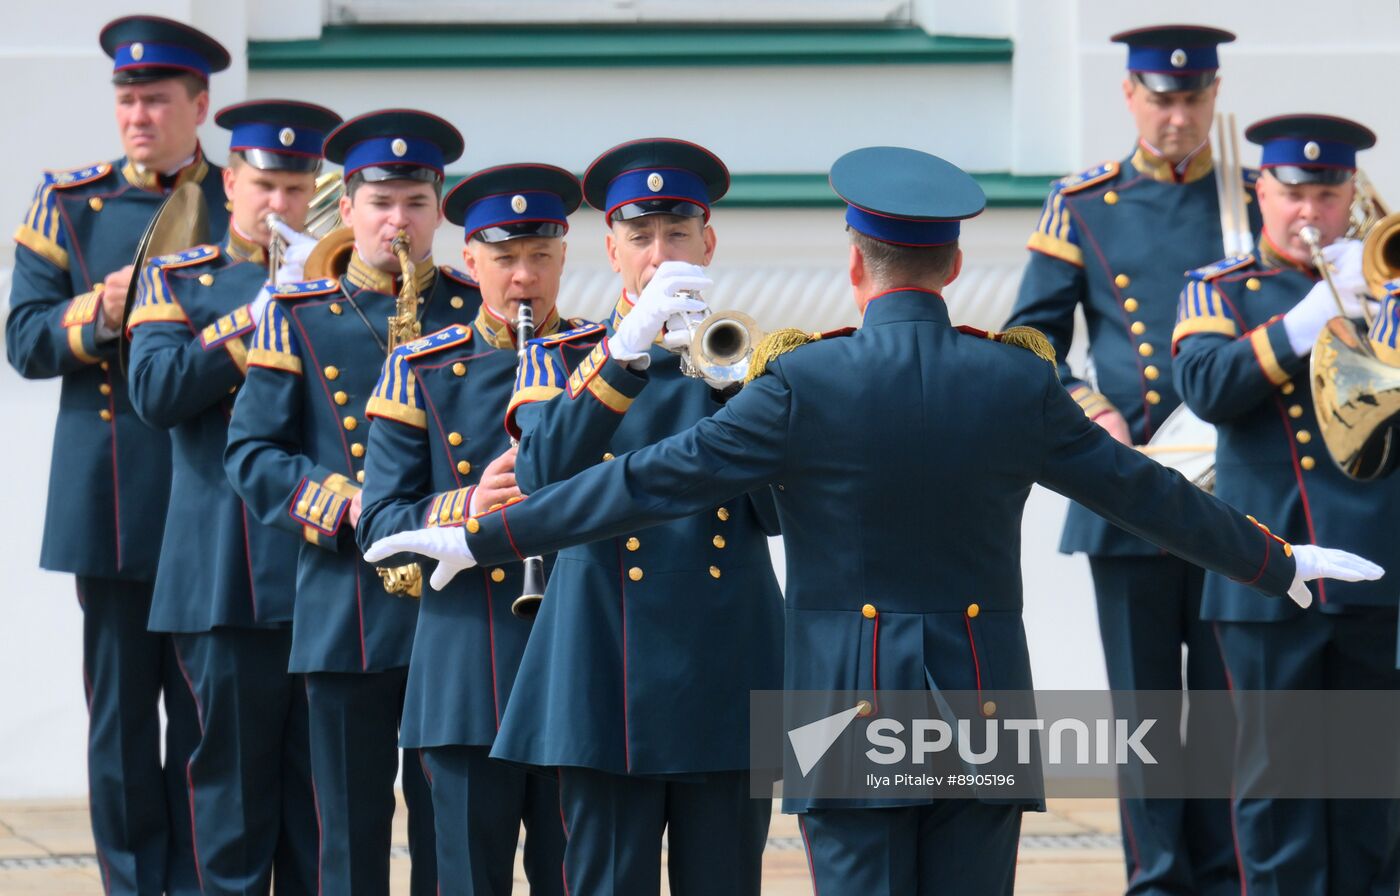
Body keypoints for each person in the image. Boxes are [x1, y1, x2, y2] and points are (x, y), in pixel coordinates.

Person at [368, 145, 1382, 896]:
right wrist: (1277, 559)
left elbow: (639, 482)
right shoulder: (1014, 382)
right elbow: (1149, 495)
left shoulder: (800, 382)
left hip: (844, 704)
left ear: (855, 263)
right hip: (982, 702)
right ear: (947, 269)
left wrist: (475, 535)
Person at [467, 138, 784, 896]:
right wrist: (623, 355)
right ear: (611, 250)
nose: (659, 255)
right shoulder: (561, 354)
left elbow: (778, 513)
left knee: (726, 880)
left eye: (677, 235)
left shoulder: (759, 360)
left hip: (725, 666)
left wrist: (734, 388)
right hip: (606, 662)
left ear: (707, 243)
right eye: (640, 237)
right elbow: (539, 481)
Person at [1004, 26, 1253, 893]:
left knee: (1226, 705)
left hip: (1236, 488)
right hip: (1134, 481)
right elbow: (1031, 335)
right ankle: (1158, 878)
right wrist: (1092, 407)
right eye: (1160, 97)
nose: (1177, 115)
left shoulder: (1253, 199)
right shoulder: (1083, 203)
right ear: (1129, 96)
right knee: (1144, 709)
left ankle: (1223, 876)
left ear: (1214, 96)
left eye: (1192, 98)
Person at [225, 109, 478, 895]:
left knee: (454, 833)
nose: (396, 222)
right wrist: (348, 509)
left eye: (413, 202)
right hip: (346, 603)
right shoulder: (296, 318)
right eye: (380, 204)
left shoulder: (476, 314)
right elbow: (252, 455)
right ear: (350, 210)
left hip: (458, 606)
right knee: (346, 834)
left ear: (439, 207)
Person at [4, 15, 230, 894]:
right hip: (110, 498)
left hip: (215, 497)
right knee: (124, 721)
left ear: (198, 104)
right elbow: (23, 340)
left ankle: (209, 881)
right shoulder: (69, 201)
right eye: (127, 99)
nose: (138, 115)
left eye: (156, 99)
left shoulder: (236, 201)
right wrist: (100, 312)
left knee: (212, 719)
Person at [1172, 113, 1400, 895]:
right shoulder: (1218, 288)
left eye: (1328, 194)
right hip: (1270, 569)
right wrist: (1301, 325)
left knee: (1372, 786)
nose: (1310, 211)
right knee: (1279, 788)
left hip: (1375, 566)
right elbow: (1205, 388)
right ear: (1261, 191)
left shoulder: (1388, 282)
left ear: (1352, 199)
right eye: (1293, 192)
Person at [126, 98, 341, 895]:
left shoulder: (346, 287)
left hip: (322, 571)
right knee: (233, 805)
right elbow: (155, 391)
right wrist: (256, 316)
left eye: (295, 187)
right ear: (231, 184)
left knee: (323, 809)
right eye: (263, 186)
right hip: (223, 573)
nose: (279, 205)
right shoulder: (181, 279)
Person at [355, 162, 585, 895]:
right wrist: (466, 505)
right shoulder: (419, 367)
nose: (524, 278)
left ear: (563, 256)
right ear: (472, 262)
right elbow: (380, 524)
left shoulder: (604, 361)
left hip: (578, 669)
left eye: (540, 256)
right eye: (506, 258)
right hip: (465, 674)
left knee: (574, 877)